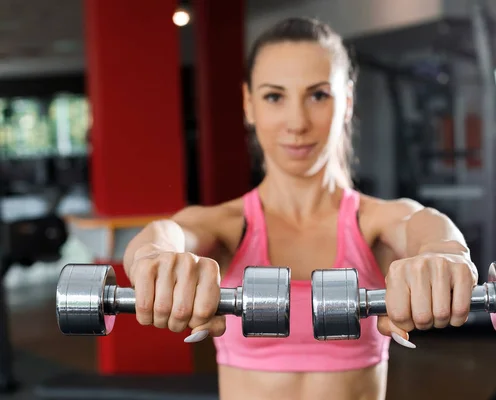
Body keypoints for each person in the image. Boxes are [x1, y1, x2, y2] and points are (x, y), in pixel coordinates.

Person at [123, 17, 477, 400]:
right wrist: (153, 257)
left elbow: (424, 223)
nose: (297, 123)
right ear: (249, 105)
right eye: (275, 97)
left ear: (347, 102)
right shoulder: (225, 226)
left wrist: (445, 253)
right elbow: (169, 232)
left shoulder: (373, 223)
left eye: (318, 95)